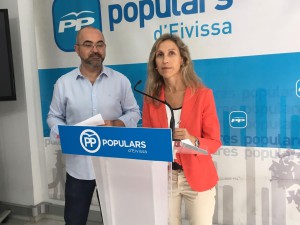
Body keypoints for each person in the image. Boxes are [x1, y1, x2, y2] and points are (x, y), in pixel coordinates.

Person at [47, 26, 141, 225]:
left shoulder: (120, 81)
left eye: (100, 45)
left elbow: (134, 113)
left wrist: (117, 123)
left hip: (114, 164)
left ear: (105, 48)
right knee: (74, 220)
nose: (95, 50)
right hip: (79, 166)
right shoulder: (64, 83)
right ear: (77, 49)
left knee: (117, 219)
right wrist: (64, 133)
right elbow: (53, 117)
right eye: (88, 45)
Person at [142, 33, 221, 225]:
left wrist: (192, 139)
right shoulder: (150, 98)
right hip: (165, 177)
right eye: (159, 55)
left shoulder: (203, 95)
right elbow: (147, 140)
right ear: (155, 63)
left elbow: (214, 142)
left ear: (183, 59)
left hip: (197, 176)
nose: (165, 60)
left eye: (171, 53)